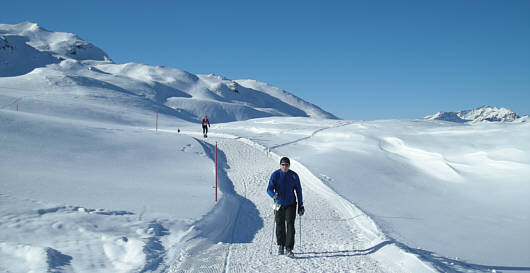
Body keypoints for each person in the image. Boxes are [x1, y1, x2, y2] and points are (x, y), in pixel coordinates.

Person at [267, 157, 304, 257]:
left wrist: (300, 204)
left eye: (286, 165)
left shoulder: (294, 176)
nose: (285, 166)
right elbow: (269, 189)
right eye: (283, 165)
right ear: (280, 165)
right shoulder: (275, 175)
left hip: (291, 204)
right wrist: (273, 195)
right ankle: (281, 245)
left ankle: (289, 248)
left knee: (290, 226)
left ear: (289, 166)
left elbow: (299, 191)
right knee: (279, 225)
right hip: (278, 204)